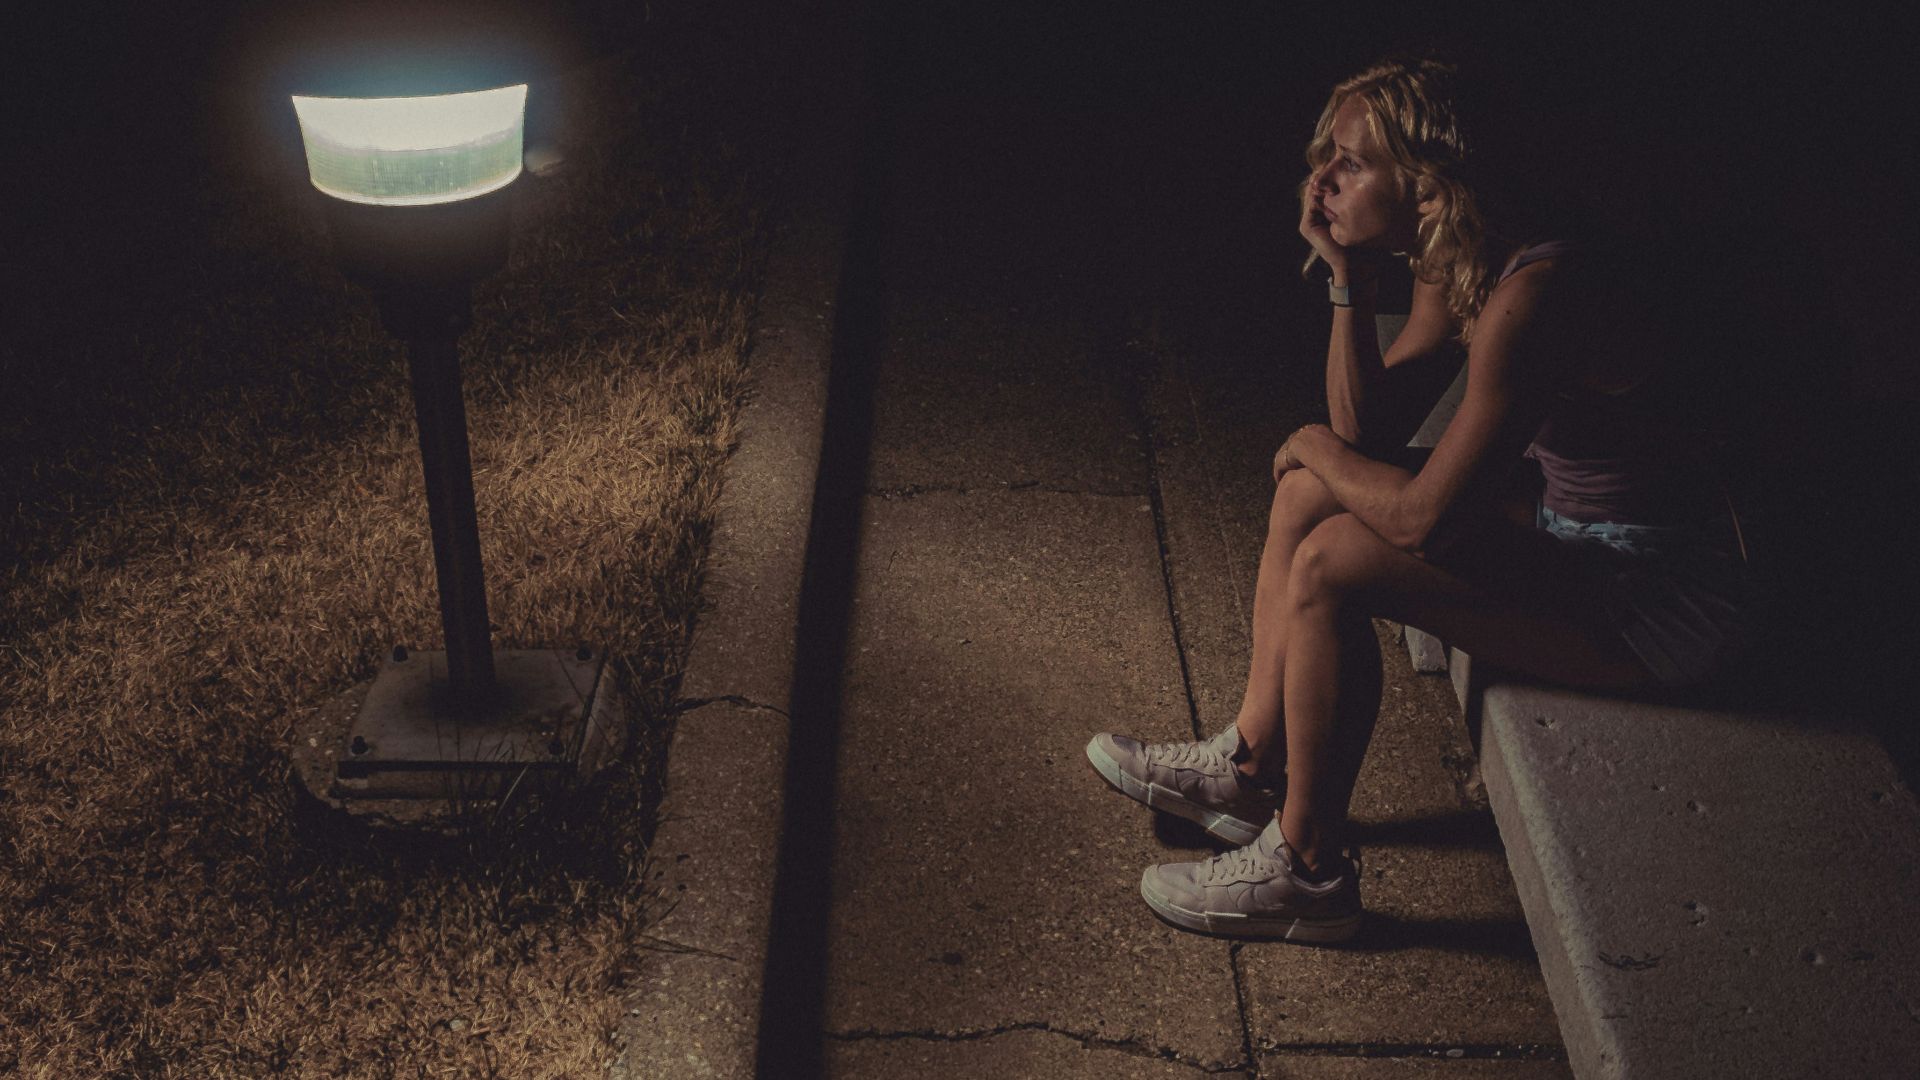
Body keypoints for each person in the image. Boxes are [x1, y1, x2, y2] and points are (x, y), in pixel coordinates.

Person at [1086, 54, 1756, 942]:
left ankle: (1310, 870)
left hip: (1660, 596)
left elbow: (1424, 519)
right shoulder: (1461, 252)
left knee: (1330, 560)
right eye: (1327, 154)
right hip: (1576, 530)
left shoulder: (1536, 294)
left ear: (1430, 186)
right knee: (1305, 502)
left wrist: (1314, 447)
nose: (1321, 178)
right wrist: (1347, 279)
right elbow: (1365, 427)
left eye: (1352, 163)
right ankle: (1248, 767)